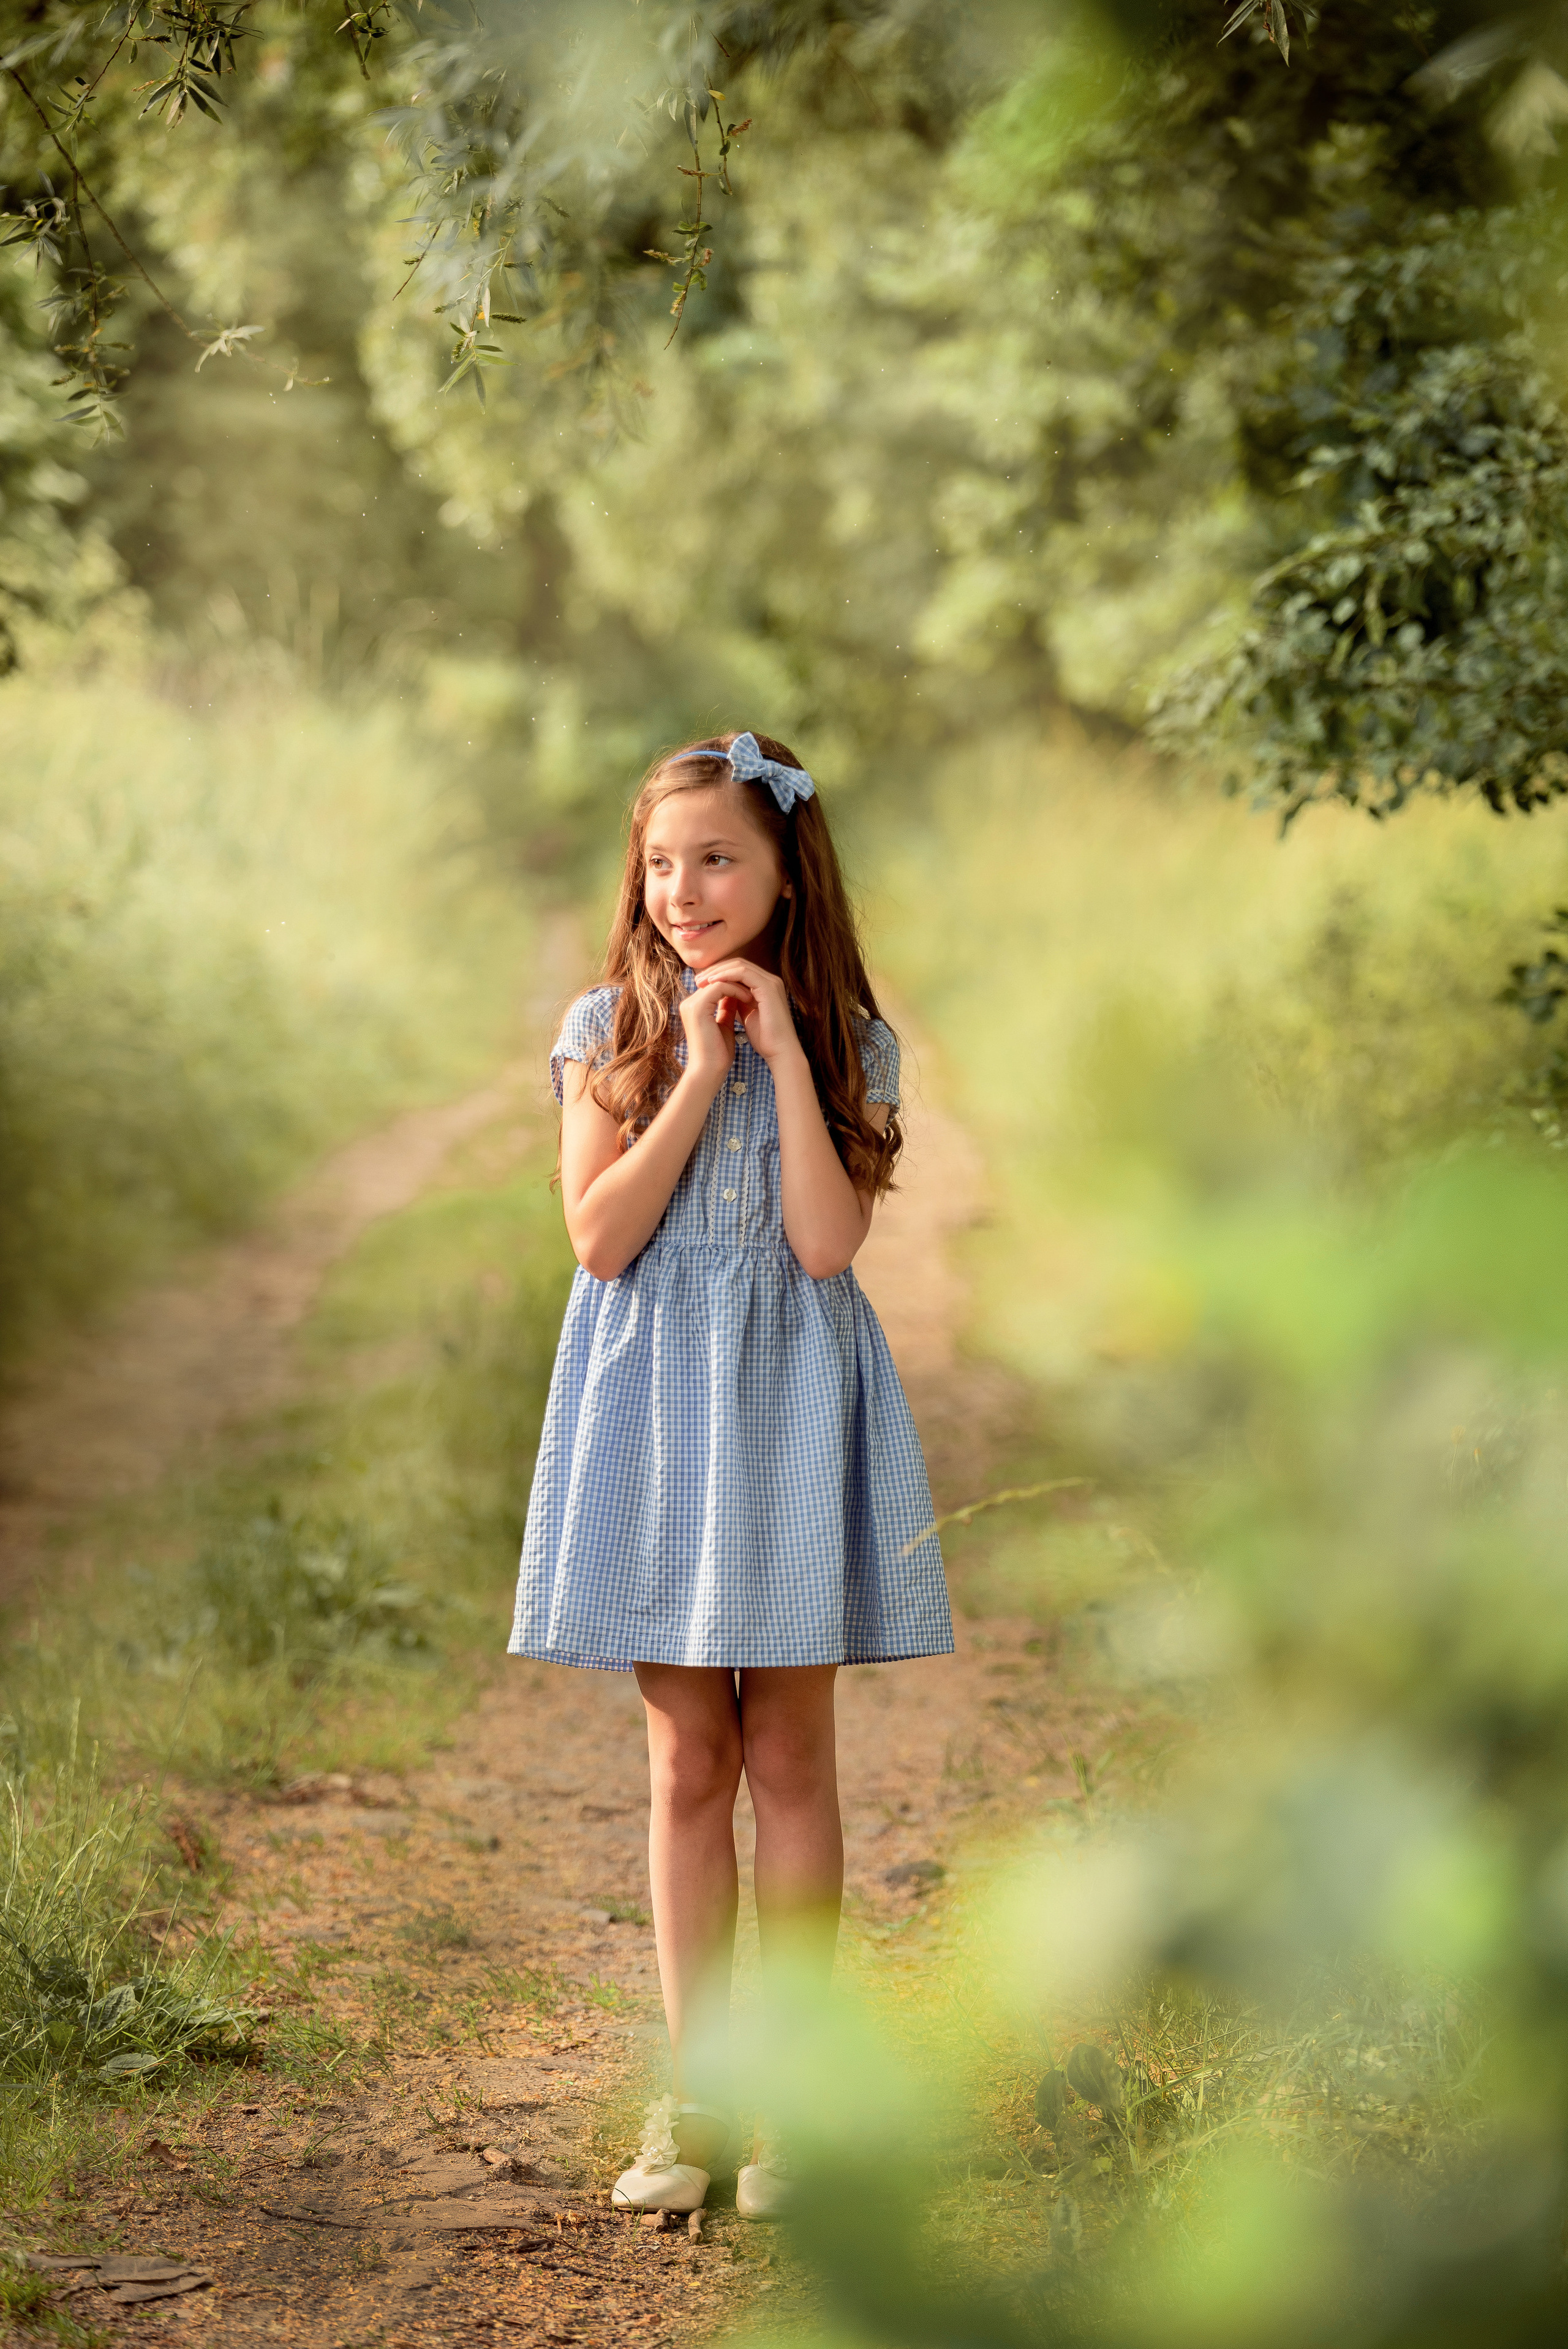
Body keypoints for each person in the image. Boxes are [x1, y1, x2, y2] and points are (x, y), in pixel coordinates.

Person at [508, 730, 953, 2219]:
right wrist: (698, 1072)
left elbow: (827, 1246)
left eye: (717, 860)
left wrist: (776, 1053)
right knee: (689, 1758)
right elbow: (597, 1237)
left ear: (782, 874)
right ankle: (694, 2099)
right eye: (660, 863)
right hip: (652, 1407)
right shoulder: (607, 1029)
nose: (684, 890)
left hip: (785, 1403)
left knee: (791, 1760)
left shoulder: (843, 1039)